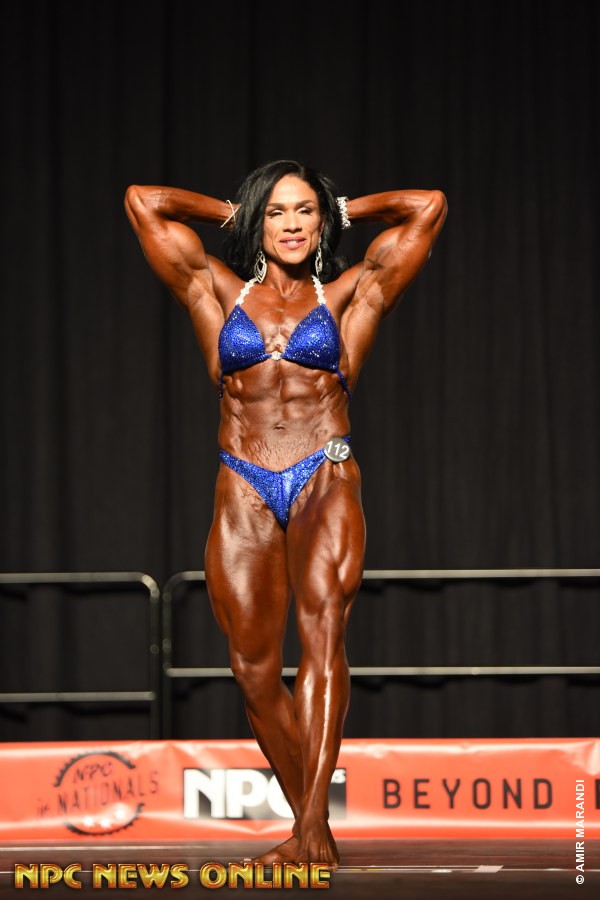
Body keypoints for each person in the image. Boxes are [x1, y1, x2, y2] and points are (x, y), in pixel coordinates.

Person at [125, 161, 447, 867]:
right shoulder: (216, 290)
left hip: (323, 471)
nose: (292, 224)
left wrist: (342, 206)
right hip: (242, 478)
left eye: (304, 211)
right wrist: (235, 211)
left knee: (322, 637)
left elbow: (427, 206)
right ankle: (308, 824)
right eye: (276, 213)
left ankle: (314, 829)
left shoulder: (353, 292)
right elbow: (144, 202)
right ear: (259, 224)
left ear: (321, 222)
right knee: (251, 668)